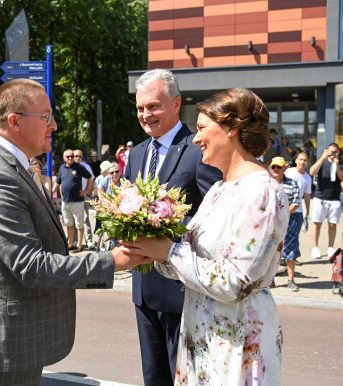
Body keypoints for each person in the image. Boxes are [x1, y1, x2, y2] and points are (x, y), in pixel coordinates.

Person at [0, 79, 149, 386]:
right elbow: (31, 266)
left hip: (8, 332)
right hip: (8, 337)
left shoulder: (8, 167)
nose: (54, 125)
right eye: (45, 117)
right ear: (14, 121)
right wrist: (112, 261)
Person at [123, 87, 290, 385]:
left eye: (202, 128)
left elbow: (235, 282)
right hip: (203, 331)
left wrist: (168, 252)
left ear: (232, 129)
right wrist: (148, 248)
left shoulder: (262, 192)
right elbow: (189, 254)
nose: (196, 138)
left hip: (236, 338)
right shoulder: (219, 189)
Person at [124, 68, 222, 386]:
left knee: (185, 377)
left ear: (176, 103)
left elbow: (216, 216)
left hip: (182, 291)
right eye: (140, 108)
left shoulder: (198, 151)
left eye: (153, 106)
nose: (145, 114)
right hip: (144, 289)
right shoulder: (137, 154)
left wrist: (167, 229)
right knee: (153, 378)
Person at [269, 156, 301, 291]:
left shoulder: (292, 183)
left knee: (290, 248)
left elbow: (296, 202)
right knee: (271, 250)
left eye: (279, 167)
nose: (276, 169)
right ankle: (270, 279)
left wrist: (283, 214)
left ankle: (291, 280)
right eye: (274, 166)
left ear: (285, 168)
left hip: (291, 220)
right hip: (270, 221)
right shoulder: (266, 183)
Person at [54, 149, 93, 252]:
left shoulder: (79, 167)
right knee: (68, 224)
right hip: (65, 202)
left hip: (78, 201)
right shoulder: (62, 168)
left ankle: (79, 245)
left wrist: (86, 191)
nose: (71, 158)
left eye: (72, 156)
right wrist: (49, 193)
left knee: (79, 224)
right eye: (68, 156)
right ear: (64, 158)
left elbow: (90, 178)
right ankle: (70, 244)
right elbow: (57, 183)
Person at [309, 143, 343, 260]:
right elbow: (312, 172)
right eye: (331, 151)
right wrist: (322, 158)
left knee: (333, 225)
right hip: (320, 197)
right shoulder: (322, 162)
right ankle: (315, 247)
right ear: (327, 151)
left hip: (334, 198)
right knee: (317, 223)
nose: (333, 154)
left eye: (335, 152)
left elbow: (342, 178)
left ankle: (330, 247)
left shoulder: (339, 163)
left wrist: (337, 165)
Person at [284, 151, 312, 262]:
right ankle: (282, 258)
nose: (302, 162)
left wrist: (308, 212)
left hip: (297, 212)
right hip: (283, 210)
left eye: (305, 160)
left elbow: (307, 196)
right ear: (296, 160)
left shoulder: (307, 178)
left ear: (308, 162)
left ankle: (291, 258)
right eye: (300, 159)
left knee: (294, 237)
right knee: (281, 236)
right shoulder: (288, 172)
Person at [74, 148, 96, 250]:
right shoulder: (69, 167)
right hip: (71, 197)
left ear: (82, 157)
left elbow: (91, 179)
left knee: (86, 218)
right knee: (73, 219)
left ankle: (89, 241)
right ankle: (74, 241)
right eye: (75, 156)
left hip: (83, 196)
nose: (77, 158)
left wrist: (87, 191)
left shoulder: (85, 166)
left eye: (79, 156)